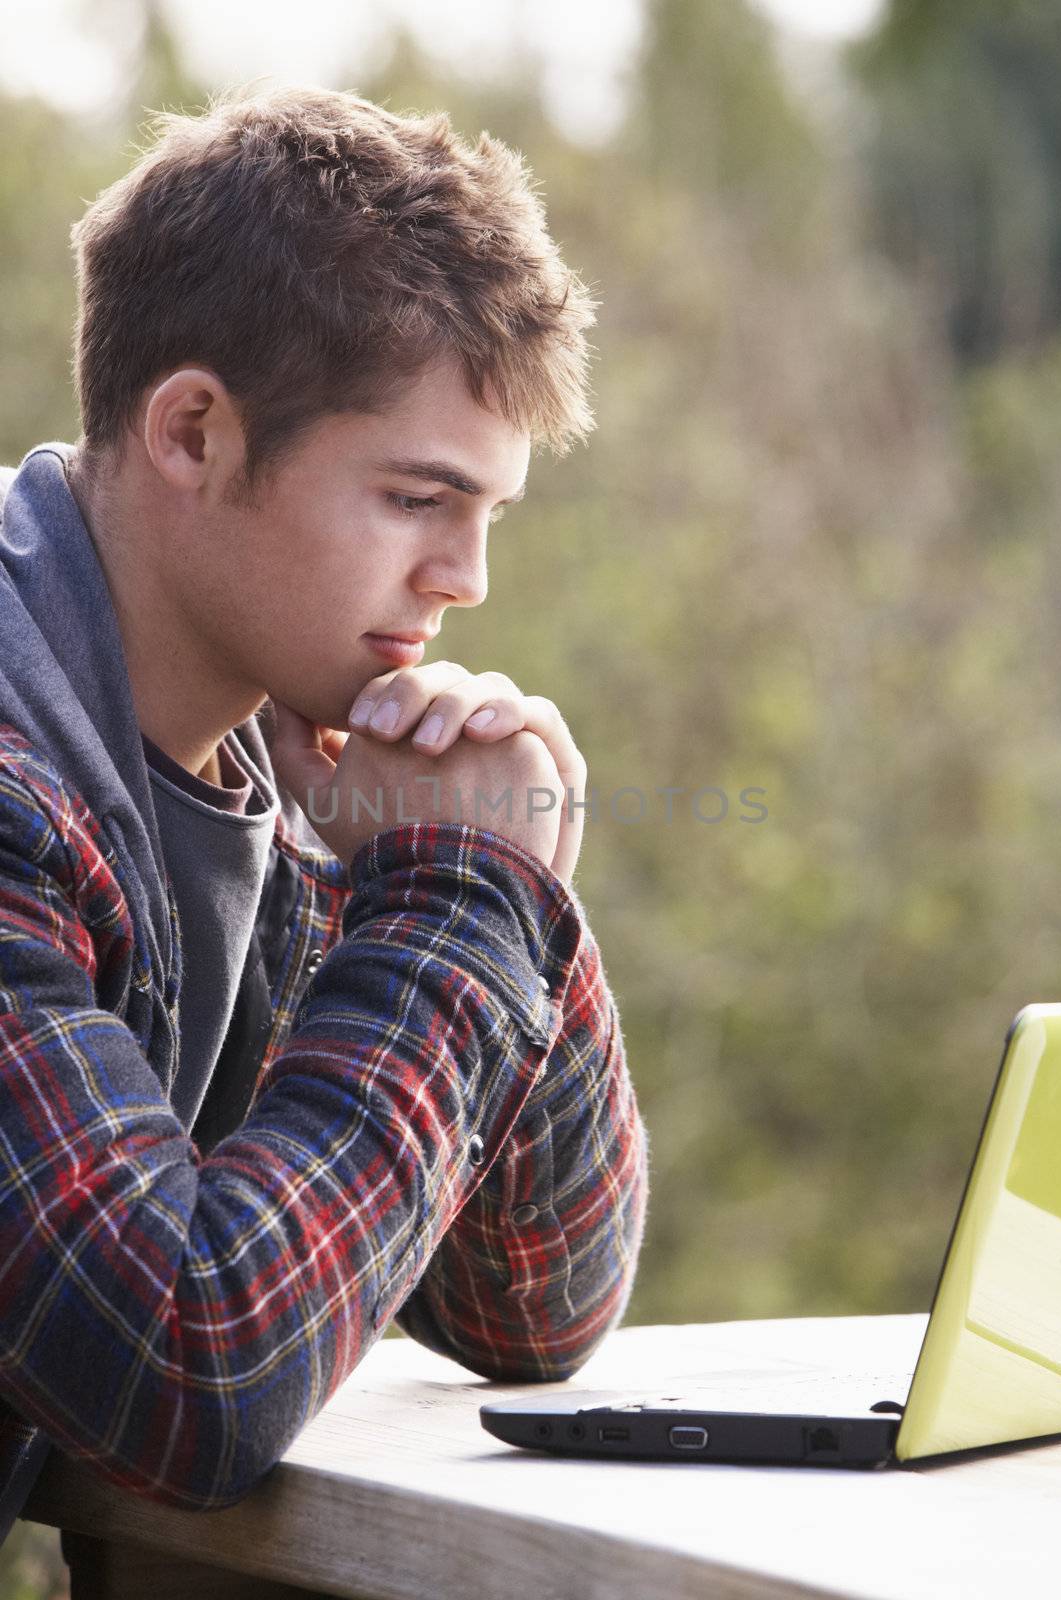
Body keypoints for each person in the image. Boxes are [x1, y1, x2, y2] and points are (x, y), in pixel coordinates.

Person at [0, 80, 649, 1581]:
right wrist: (467, 904)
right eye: (420, 497)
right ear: (194, 433)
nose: (467, 580)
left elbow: (530, 1308)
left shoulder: (280, 769)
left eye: (491, 514)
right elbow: (187, 1371)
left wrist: (484, 878)